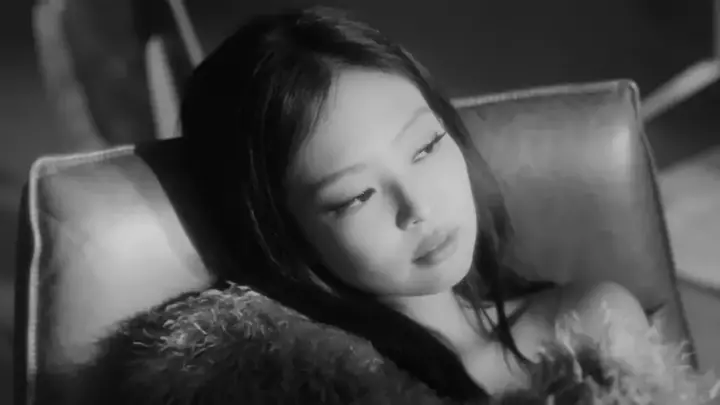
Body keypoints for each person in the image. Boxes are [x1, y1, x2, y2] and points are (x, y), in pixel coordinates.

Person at [174, 5, 651, 400]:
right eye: (357, 196)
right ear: (283, 234)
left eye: (425, 147)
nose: (418, 206)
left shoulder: (593, 325)